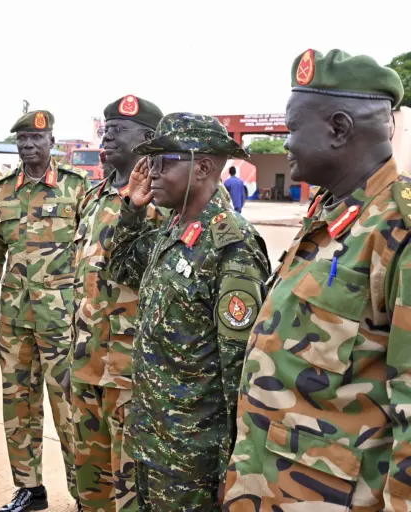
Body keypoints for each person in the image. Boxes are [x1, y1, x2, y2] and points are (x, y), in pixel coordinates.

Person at [224, 49, 409, 511]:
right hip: (265, 484)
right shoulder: (330, 213)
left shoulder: (397, 231)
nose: (285, 144)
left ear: (339, 129)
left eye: (292, 129)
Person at [109, 113, 270, 511]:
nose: (152, 172)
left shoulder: (231, 245)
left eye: (164, 161)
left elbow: (240, 370)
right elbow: (122, 268)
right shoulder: (174, 228)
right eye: (150, 161)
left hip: (194, 460)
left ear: (202, 168)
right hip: (153, 440)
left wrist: (235, 466)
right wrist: (133, 210)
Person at [0, 110, 90, 512]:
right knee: (18, 403)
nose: (28, 146)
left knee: (70, 408)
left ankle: (84, 493)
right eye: (22, 139)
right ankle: (29, 488)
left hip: (63, 320)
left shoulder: (77, 187)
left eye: (36, 138)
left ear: (51, 141)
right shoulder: (3, 191)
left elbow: (93, 254)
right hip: (15, 319)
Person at [72, 95, 165, 512]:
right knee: (91, 485)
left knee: (130, 490)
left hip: (129, 371)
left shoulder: (160, 203)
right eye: (105, 129)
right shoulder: (94, 197)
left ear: (147, 139)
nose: (106, 136)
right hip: (85, 361)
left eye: (118, 130)